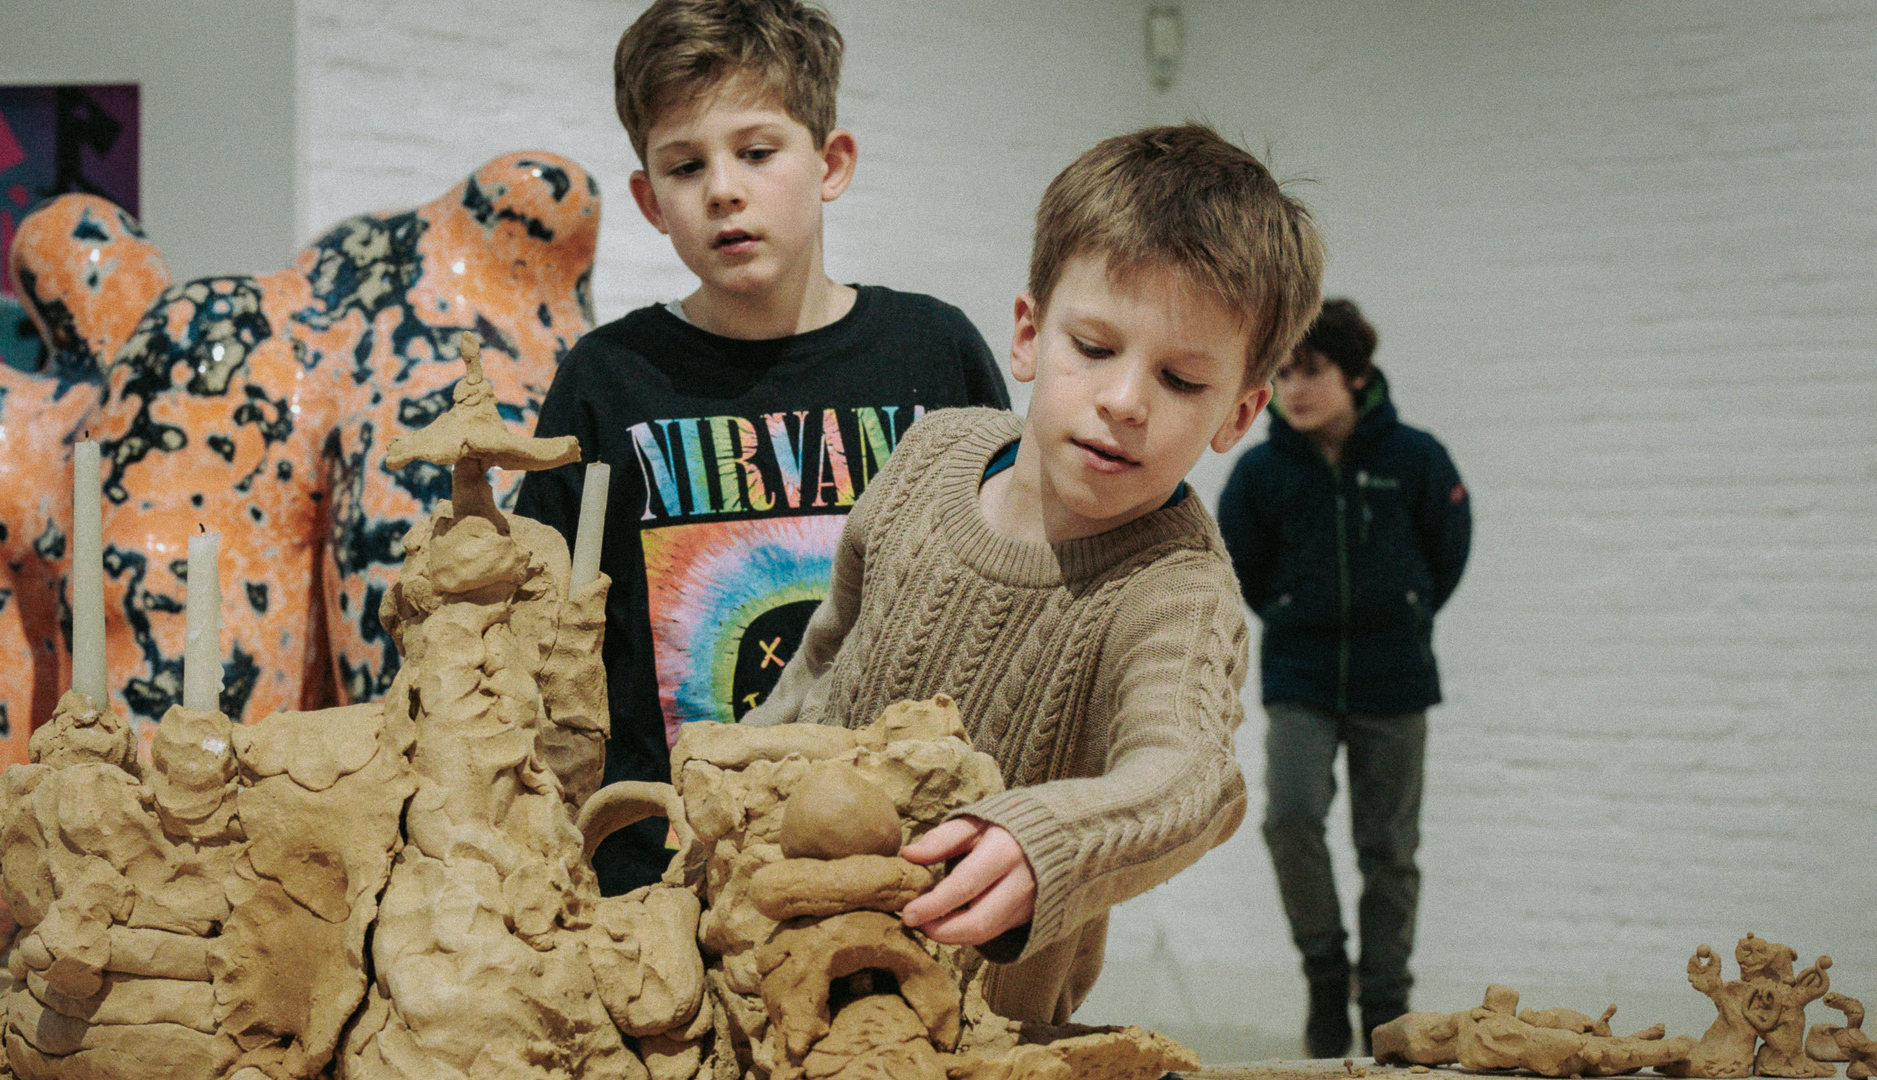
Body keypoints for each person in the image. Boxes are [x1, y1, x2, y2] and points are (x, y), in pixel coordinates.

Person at [747, 124, 1325, 1024]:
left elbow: (1191, 776)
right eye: (1093, 347)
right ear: (1028, 334)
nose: (1125, 401)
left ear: (1239, 414)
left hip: (970, 1035)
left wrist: (1043, 838)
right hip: (769, 967)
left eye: (1180, 380)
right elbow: (822, 658)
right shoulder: (931, 454)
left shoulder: (1175, 592)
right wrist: (726, 783)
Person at [515, 0, 1010, 894]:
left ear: (832, 163)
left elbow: (1003, 605)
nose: (723, 190)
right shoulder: (606, 381)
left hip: (905, 868)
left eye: (756, 151)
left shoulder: (935, 355)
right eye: (685, 165)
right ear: (649, 200)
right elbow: (538, 639)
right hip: (663, 885)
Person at [1214, 299, 1472, 1057]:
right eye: (1284, 373)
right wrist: (1293, 610)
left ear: (1356, 375)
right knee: (1290, 818)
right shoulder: (1260, 472)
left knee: (1389, 849)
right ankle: (1327, 973)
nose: (1294, 389)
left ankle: (1386, 1001)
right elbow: (1241, 563)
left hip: (1397, 679)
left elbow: (1448, 549)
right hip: (1301, 676)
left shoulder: (1416, 458)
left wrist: (1406, 608)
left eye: (1312, 371)